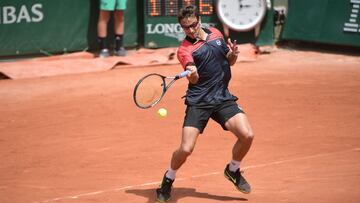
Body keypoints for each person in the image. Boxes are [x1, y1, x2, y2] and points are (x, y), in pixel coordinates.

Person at [155, 5, 254, 203]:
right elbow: (193, 77)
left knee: (247, 135)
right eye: (185, 27)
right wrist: (192, 73)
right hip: (199, 102)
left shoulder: (216, 34)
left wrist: (233, 53)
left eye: (192, 25)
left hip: (222, 97)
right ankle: (168, 178)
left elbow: (229, 61)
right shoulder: (184, 49)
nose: (190, 30)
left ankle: (233, 170)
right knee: (186, 149)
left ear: (199, 20)